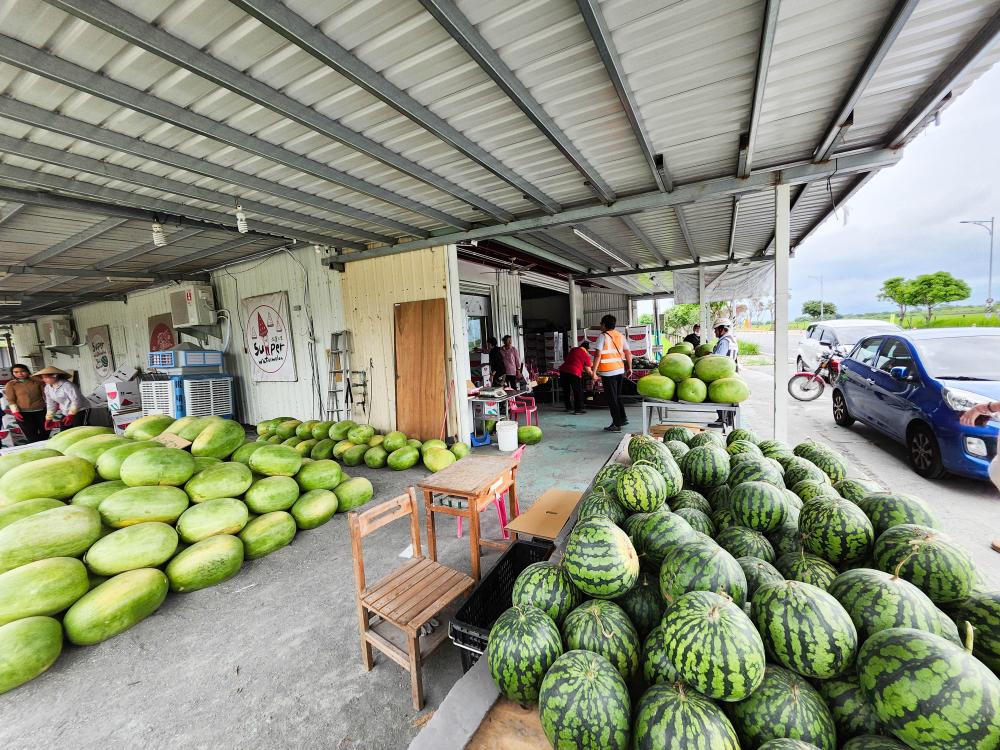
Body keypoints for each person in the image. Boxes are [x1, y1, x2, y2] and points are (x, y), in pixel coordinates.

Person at [591, 314, 632, 432]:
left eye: (601, 324)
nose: (600, 326)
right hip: (619, 371)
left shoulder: (603, 336)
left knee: (612, 398)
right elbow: (628, 353)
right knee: (617, 396)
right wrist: (630, 368)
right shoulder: (620, 335)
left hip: (608, 372)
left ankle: (616, 424)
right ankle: (623, 418)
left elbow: (597, 354)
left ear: (604, 325)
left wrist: (593, 372)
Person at [3, 363, 47, 442]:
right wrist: (15, 412)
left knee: (45, 431)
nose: (19, 374)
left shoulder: (36, 381)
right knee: (31, 435)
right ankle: (36, 448)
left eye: (22, 371)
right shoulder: (11, 384)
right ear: (12, 373)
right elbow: (11, 399)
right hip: (23, 413)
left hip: (40, 411)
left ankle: (45, 446)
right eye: (16, 372)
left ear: (27, 371)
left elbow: (46, 393)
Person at [37, 366, 85, 431]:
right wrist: (49, 418)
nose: (44, 380)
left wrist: (71, 415)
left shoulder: (67, 385)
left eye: (46, 377)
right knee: (64, 430)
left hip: (79, 410)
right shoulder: (47, 387)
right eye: (43, 378)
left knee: (77, 431)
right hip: (65, 411)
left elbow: (76, 400)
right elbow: (51, 403)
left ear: (55, 376)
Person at [559, 341, 592, 414]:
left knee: (566, 391)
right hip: (574, 373)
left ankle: (568, 407)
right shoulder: (585, 354)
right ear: (587, 349)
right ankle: (578, 410)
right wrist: (595, 376)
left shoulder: (573, 350)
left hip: (563, 371)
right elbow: (588, 371)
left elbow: (572, 360)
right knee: (577, 391)